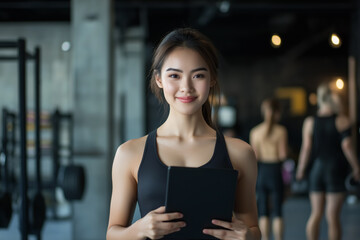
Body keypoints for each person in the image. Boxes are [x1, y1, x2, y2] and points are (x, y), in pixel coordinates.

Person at [106, 28, 261, 240]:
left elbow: (253, 229)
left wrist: (248, 237)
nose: (186, 87)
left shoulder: (240, 152)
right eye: (174, 76)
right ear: (159, 79)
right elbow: (112, 234)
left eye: (198, 75)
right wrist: (139, 229)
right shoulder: (130, 153)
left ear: (212, 79)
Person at [296, 83, 360, 240]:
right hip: (335, 170)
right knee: (332, 217)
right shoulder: (342, 120)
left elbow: (306, 149)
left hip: (317, 169)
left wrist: (300, 169)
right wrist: (357, 167)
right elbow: (347, 146)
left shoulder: (310, 122)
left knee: (315, 214)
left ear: (319, 99)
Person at [249, 98, 288, 240]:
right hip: (275, 172)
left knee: (263, 211)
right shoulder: (281, 131)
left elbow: (255, 157)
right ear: (277, 113)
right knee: (278, 211)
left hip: (262, 173)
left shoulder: (255, 132)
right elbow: (283, 155)